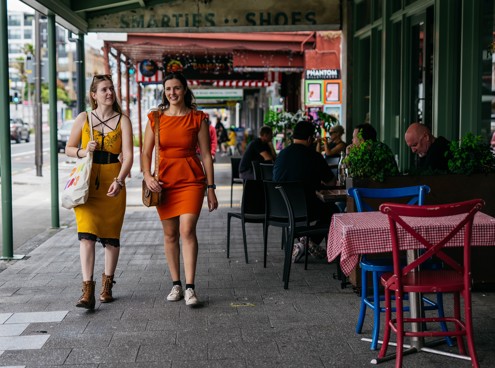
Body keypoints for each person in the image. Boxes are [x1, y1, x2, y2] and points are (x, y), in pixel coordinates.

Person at [142, 72, 218, 307]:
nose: (172, 93)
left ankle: (191, 288)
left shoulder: (198, 118)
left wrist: (211, 188)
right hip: (164, 183)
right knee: (170, 234)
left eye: (176, 88)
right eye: (168, 89)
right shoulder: (155, 118)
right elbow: (145, 153)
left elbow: (206, 154)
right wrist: (147, 176)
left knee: (187, 230)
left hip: (191, 181)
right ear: (164, 92)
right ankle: (176, 284)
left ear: (185, 89)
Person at [65, 74, 134, 310]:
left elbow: (129, 155)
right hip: (87, 183)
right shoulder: (83, 118)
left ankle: (107, 285)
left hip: (112, 181)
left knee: (111, 238)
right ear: (94, 95)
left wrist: (120, 180)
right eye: (104, 89)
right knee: (86, 236)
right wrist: (85, 151)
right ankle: (87, 291)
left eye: (111, 89)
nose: (109, 93)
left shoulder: (123, 120)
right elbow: (68, 149)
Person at [273, 120, 339, 262]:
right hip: (305, 208)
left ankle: (305, 243)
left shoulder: (282, 154)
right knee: (334, 211)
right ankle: (308, 242)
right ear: (310, 139)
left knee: (325, 208)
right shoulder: (314, 156)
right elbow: (331, 182)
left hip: (280, 208)